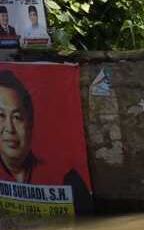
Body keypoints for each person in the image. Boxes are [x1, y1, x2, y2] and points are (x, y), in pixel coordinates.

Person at [0, 70, 93, 212]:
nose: (9, 129)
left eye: (17, 117)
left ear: (30, 124)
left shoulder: (66, 179)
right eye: (0, 116)